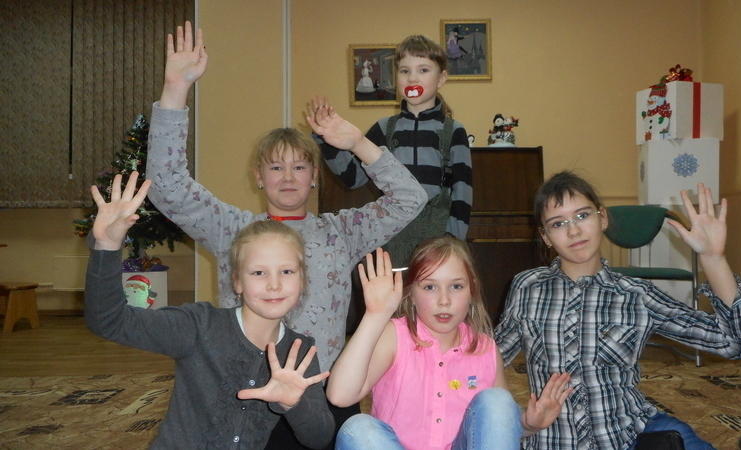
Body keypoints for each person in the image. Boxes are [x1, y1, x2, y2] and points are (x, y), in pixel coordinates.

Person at [145, 22, 427, 448]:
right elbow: (166, 184)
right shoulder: (231, 228)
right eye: (276, 167)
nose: (289, 177)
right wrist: (175, 89)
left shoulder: (341, 231)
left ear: (314, 176)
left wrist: (358, 143)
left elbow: (410, 199)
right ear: (259, 177)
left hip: (322, 390)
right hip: (248, 393)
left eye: (299, 166)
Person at [494, 171, 741, 450]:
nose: (573, 231)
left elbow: (740, 345)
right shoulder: (527, 287)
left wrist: (713, 258)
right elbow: (489, 359)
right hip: (552, 441)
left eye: (582, 215)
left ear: (603, 218)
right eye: (558, 223)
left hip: (628, 436)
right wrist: (520, 423)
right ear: (545, 236)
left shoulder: (636, 294)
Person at [83, 171, 334, 448]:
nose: (274, 285)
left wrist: (294, 404)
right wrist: (107, 246)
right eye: (258, 273)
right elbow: (109, 321)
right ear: (237, 282)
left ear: (302, 280)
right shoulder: (200, 326)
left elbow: (319, 438)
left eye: (286, 271)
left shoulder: (300, 352)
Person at [327, 239, 573, 449]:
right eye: (430, 287)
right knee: (358, 428)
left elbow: (496, 429)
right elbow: (339, 396)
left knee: (498, 401)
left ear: (471, 291)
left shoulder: (486, 348)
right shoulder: (394, 336)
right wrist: (375, 315)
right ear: (411, 293)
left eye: (456, 286)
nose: (444, 300)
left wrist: (528, 423)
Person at [319, 34, 473, 267]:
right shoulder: (383, 129)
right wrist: (326, 140)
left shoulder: (454, 131)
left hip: (437, 241)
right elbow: (352, 178)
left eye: (423, 70)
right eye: (404, 71)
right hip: (390, 237)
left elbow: (462, 193)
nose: (412, 78)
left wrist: (453, 244)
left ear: (441, 78)